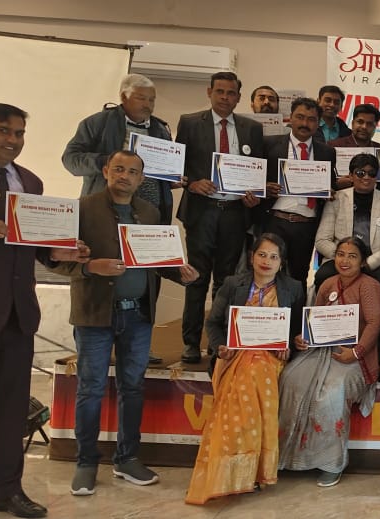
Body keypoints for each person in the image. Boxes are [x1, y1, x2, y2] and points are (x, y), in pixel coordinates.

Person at [53, 151, 198, 497]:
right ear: (106, 171)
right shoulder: (83, 209)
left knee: (133, 388)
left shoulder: (150, 213)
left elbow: (154, 261)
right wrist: (90, 267)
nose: (125, 176)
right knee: (90, 389)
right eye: (118, 169)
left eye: (133, 172)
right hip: (95, 315)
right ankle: (86, 462)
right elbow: (55, 260)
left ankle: (127, 458)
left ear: (141, 179)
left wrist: (179, 273)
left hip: (139, 316)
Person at [0, 103, 89, 519]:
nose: (13, 140)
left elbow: (35, 244)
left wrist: (62, 252)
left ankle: (5, 490)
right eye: (3, 131)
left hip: (18, 314)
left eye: (19, 133)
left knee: (12, 410)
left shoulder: (30, 181)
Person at [62, 73, 182, 364]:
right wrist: (108, 162)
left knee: (146, 277)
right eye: (142, 98)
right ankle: (94, 344)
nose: (148, 104)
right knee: (101, 272)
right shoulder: (97, 122)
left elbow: (161, 170)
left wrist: (173, 178)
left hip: (148, 213)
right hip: (106, 211)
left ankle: (140, 344)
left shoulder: (160, 128)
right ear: (124, 97)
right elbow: (70, 159)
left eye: (152, 99)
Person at [185, 233, 306, 504]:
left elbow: (296, 329)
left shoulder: (293, 288)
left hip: (271, 358)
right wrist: (220, 347)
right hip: (234, 354)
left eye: (274, 257)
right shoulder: (233, 284)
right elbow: (213, 323)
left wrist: (289, 345)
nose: (267, 261)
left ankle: (248, 471)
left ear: (282, 263)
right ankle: (236, 471)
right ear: (251, 257)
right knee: (247, 379)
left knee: (253, 375)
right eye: (262, 254)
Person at [175, 71, 266, 364]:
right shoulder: (190, 122)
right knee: (196, 278)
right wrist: (192, 183)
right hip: (202, 211)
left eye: (231, 93)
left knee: (226, 281)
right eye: (220, 92)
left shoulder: (252, 128)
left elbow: (258, 169)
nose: (225, 97)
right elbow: (177, 166)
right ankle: (191, 342)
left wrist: (255, 195)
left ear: (239, 97)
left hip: (235, 213)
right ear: (209, 92)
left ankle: (219, 342)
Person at [278, 236, 380, 488]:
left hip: (355, 357)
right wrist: (303, 339)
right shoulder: (327, 284)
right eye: (340, 254)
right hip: (321, 353)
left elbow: (375, 323)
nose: (345, 260)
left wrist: (355, 353)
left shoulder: (369, 286)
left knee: (330, 394)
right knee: (290, 379)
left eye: (352, 256)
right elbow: (315, 321)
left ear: (363, 261)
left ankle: (330, 463)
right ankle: (287, 456)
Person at [260, 97, 337, 290]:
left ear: (318, 123)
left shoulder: (327, 152)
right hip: (275, 220)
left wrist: (329, 191)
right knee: (266, 275)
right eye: (300, 117)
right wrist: (264, 187)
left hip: (307, 224)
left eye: (311, 119)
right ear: (290, 118)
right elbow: (254, 177)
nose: (305, 123)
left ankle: (295, 311)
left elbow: (331, 185)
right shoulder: (268, 144)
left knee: (299, 277)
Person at [314, 153, 380, 287]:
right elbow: (321, 240)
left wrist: (368, 262)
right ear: (350, 176)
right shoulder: (336, 199)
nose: (366, 177)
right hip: (341, 258)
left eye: (371, 173)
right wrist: (346, 258)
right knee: (323, 276)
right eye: (360, 173)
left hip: (375, 260)